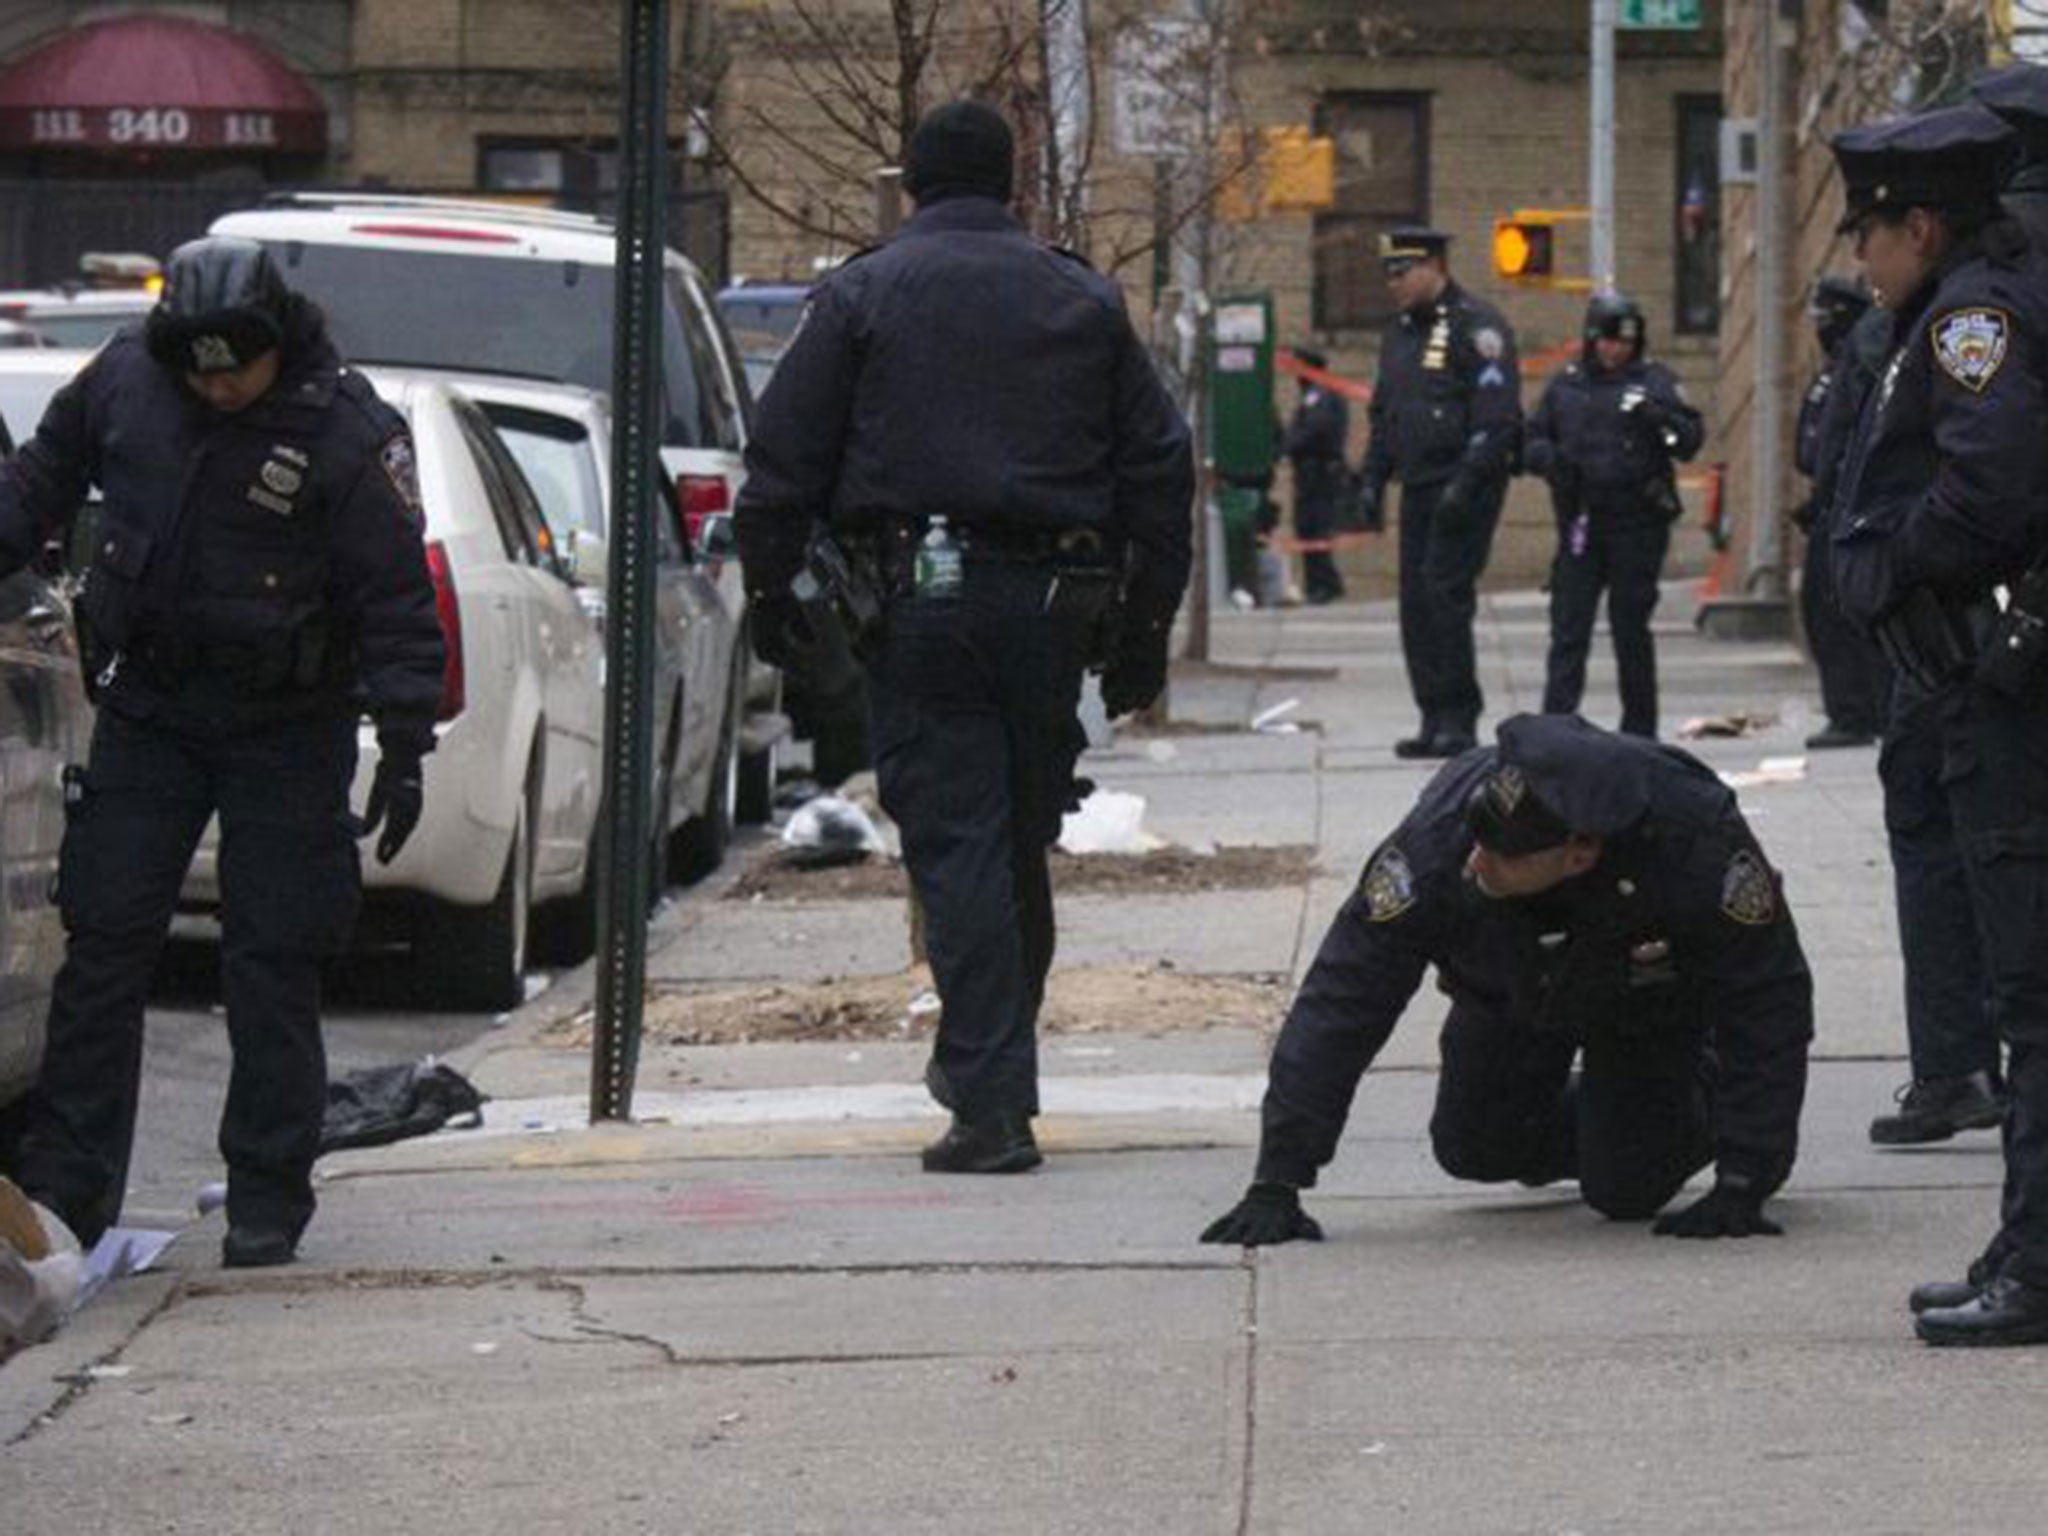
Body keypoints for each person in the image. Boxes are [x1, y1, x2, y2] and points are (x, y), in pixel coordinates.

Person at [733, 101, 1194, 1175]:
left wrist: (776, 603)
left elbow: (779, 462)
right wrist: (1141, 629)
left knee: (959, 847)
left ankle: (990, 1102)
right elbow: (1157, 470)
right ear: (1013, 185)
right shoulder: (1081, 296)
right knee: (1012, 840)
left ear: (911, 189)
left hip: (920, 604)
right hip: (1051, 608)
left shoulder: (858, 294)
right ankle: (991, 1068)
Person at [0, 236, 445, 1268]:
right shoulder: (124, 382)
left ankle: (266, 1193)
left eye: (233, 367)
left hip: (287, 727)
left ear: (274, 346)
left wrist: (409, 736)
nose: (216, 386)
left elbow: (392, 596)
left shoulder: (341, 430)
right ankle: (70, 1197)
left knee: (272, 958)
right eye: (196, 367)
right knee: (104, 946)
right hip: (152, 709)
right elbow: (36, 488)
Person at [1200, 713, 1812, 1247]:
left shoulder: (1695, 838)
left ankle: (1680, 1096)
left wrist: (1746, 1174)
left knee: (1626, 1191)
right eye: (1478, 840)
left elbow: (1768, 991)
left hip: (1645, 1004)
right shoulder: (1439, 845)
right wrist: (1278, 1177)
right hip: (1508, 987)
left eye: (1500, 858)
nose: (1477, 861)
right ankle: (1612, 1117)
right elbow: (1346, 993)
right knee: (1473, 1148)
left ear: (1579, 853)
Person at [1824, 104, 2048, 1345]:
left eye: (1868, 234)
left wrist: (1896, 565)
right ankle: (2026, 1237)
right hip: (1988, 688)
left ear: (1919, 223)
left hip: (2003, 692)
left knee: (2032, 992)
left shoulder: (1974, 316)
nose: (1861, 260)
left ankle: (2040, 1270)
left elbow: (1990, 485)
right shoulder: (1966, 303)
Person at [1354, 228, 1522, 760]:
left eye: (1402, 273)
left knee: (1446, 597)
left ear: (1433, 266)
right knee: (1416, 605)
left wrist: (1467, 482)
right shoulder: (1400, 333)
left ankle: (1459, 718)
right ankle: (1431, 714)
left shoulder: (1478, 326)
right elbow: (1386, 412)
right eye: (1388, 276)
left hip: (1465, 484)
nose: (1393, 285)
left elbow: (1496, 417)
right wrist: (1372, 480)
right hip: (1420, 485)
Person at [1524, 292, 1703, 739]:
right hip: (1582, 520)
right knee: (1569, 626)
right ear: (1591, 339)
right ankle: (1557, 727)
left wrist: (1656, 416)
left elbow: (1689, 439)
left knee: (1630, 627)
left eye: (1624, 342)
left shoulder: (1654, 382)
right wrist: (1550, 460)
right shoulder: (1566, 386)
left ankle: (1639, 729)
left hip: (1637, 521)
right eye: (1606, 341)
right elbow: (1529, 440)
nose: (1615, 350)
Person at [1794, 276, 1889, 750]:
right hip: (1832, 501)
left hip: (1852, 503)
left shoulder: (1866, 351)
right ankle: (1854, 709)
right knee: (1823, 607)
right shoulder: (1837, 364)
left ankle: (1858, 712)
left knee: (1839, 607)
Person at [1282, 348, 1349, 605]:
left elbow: (1316, 429)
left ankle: (1325, 584)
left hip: (1320, 472)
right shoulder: (1313, 394)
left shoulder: (1322, 395)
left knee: (1316, 528)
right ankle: (1319, 583)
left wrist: (1289, 445)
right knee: (1307, 528)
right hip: (1310, 472)